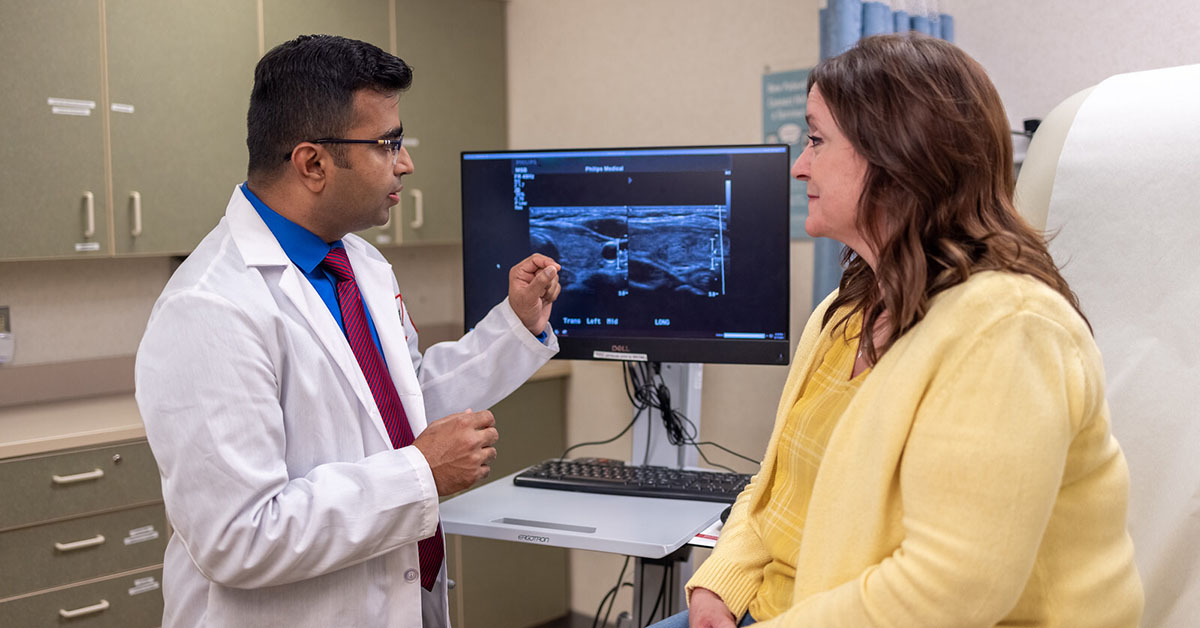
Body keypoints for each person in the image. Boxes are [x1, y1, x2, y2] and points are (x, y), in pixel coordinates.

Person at [652, 34, 1143, 628]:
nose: (799, 165)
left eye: (815, 140)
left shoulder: (1011, 330)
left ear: (895, 157)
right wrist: (717, 586)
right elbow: (775, 485)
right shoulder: (845, 311)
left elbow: (948, 591)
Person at [135, 35, 561, 628]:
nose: (406, 162)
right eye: (388, 144)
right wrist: (421, 473)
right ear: (313, 163)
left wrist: (513, 326)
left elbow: (402, 406)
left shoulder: (357, 263)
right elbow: (239, 536)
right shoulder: (210, 307)